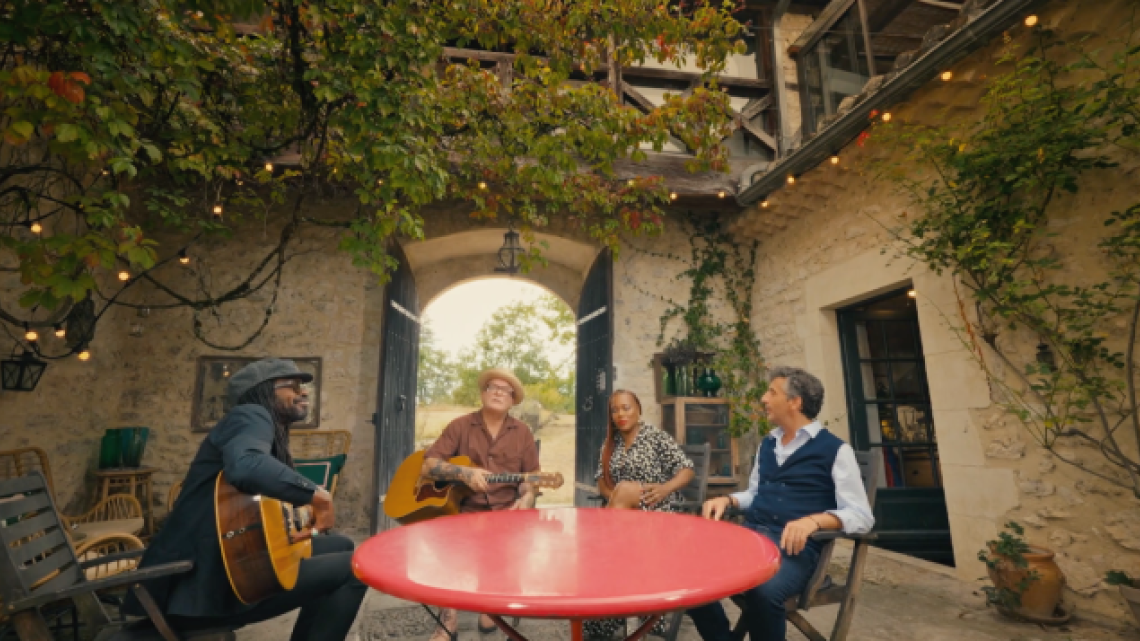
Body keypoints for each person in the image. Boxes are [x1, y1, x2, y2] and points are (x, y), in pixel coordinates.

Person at [124, 358, 366, 641]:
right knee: (356, 568)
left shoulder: (259, 427)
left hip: (219, 569)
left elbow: (255, 501)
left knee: (343, 544)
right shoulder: (250, 414)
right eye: (292, 385)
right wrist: (319, 497)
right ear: (262, 391)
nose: (303, 392)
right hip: (202, 592)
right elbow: (247, 466)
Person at [687, 366, 874, 641]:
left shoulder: (835, 450)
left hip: (794, 552)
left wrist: (815, 520)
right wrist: (727, 500)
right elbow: (755, 494)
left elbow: (861, 516)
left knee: (764, 592)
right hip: (750, 541)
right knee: (690, 575)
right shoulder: (768, 444)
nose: (763, 398)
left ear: (794, 402)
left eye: (771, 392)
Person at [420, 367, 541, 640]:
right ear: (483, 393)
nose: (498, 392)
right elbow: (429, 465)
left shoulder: (522, 433)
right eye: (493, 387)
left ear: (512, 400)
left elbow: (530, 477)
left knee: (514, 537)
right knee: (442, 533)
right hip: (464, 508)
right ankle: (447, 618)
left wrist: (528, 496)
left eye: (505, 390)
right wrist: (464, 473)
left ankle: (493, 599)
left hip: (505, 511)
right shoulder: (460, 426)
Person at [585, 389, 694, 640]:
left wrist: (666, 487)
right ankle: (610, 607)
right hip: (624, 521)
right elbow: (600, 482)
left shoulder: (655, 437)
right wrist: (617, 497)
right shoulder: (610, 444)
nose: (621, 414)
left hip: (655, 511)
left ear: (638, 410)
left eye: (626, 408)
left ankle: (602, 565)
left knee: (623, 493)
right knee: (621, 491)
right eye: (615, 410)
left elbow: (686, 470)